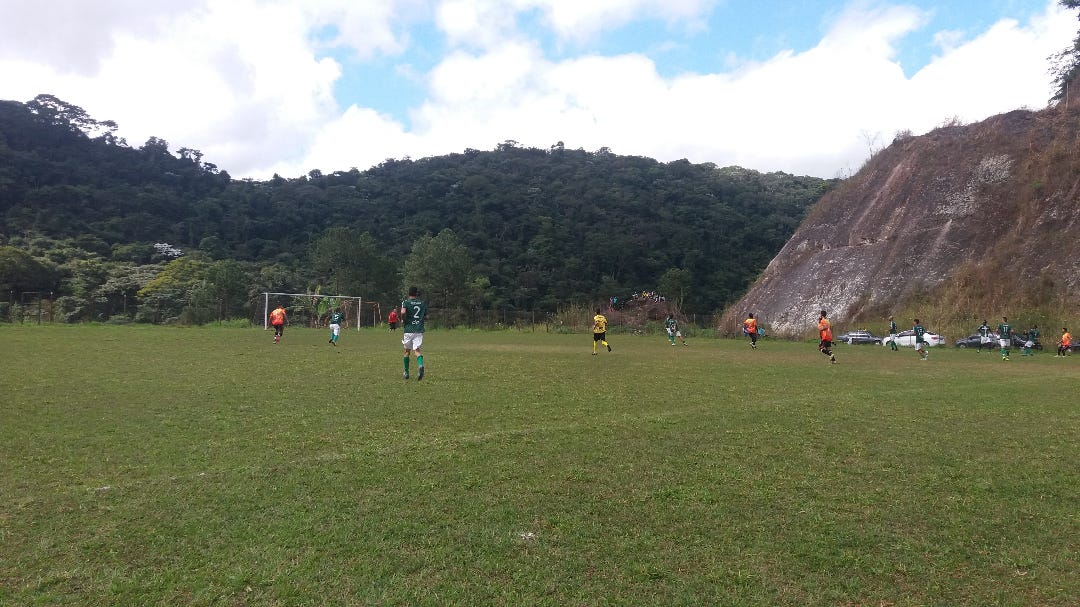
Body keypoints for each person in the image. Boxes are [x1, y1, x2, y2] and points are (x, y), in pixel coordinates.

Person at [400, 287, 427, 380]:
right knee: (417, 350)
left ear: (409, 293)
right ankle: (420, 365)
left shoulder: (406, 302)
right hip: (419, 329)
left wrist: (403, 319)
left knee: (407, 351)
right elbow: (426, 316)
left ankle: (406, 372)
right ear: (416, 293)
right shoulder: (422, 303)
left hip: (409, 329)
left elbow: (403, 312)